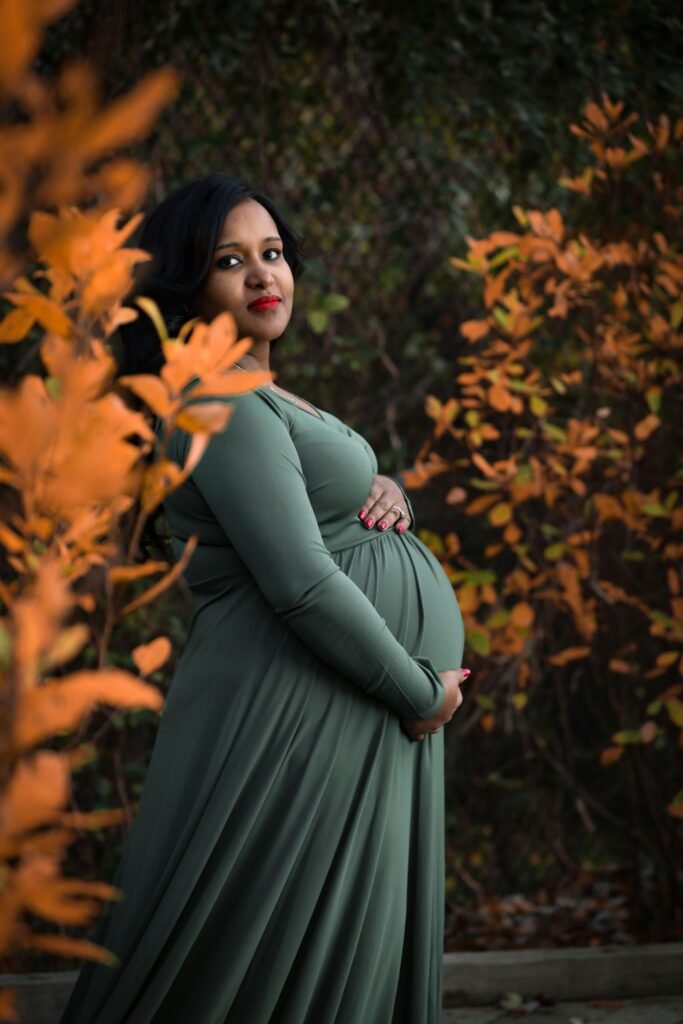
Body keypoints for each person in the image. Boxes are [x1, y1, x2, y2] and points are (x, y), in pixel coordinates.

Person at [59, 173, 468, 1024]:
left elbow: (310, 512)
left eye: (272, 254)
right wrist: (420, 692)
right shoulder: (218, 400)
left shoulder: (260, 395)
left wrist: (385, 486)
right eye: (229, 261)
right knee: (266, 962)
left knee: (320, 953)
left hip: (336, 707)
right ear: (187, 286)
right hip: (303, 712)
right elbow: (302, 581)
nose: (262, 276)